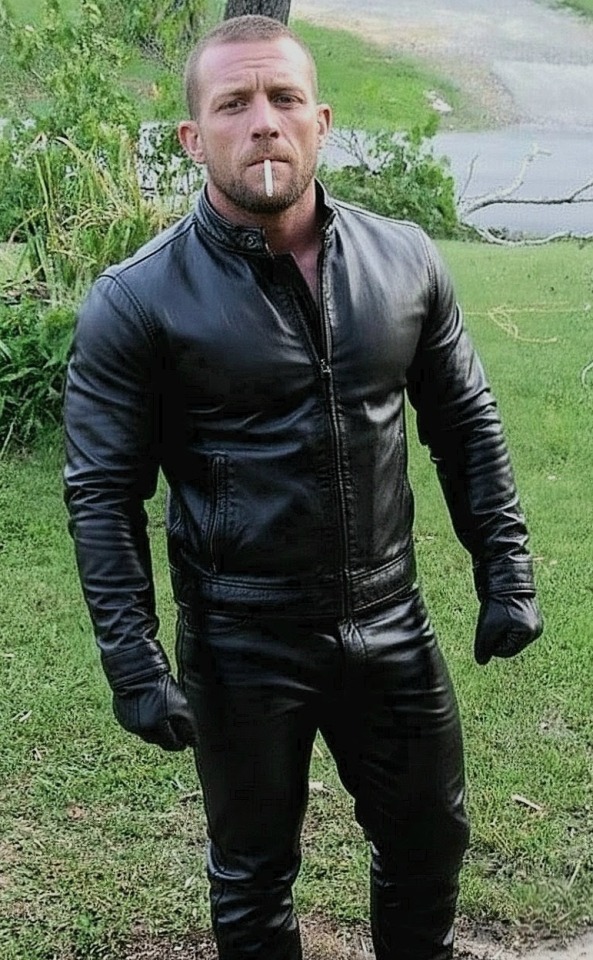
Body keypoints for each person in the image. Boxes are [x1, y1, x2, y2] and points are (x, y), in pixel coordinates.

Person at [63, 14, 543, 960]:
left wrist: (507, 568)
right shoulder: (137, 300)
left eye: (284, 98)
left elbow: (465, 425)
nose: (263, 122)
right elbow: (103, 494)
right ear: (192, 137)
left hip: (390, 619)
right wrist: (134, 662)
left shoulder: (405, 260)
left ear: (319, 120)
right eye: (233, 104)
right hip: (241, 639)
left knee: (429, 841)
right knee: (253, 876)